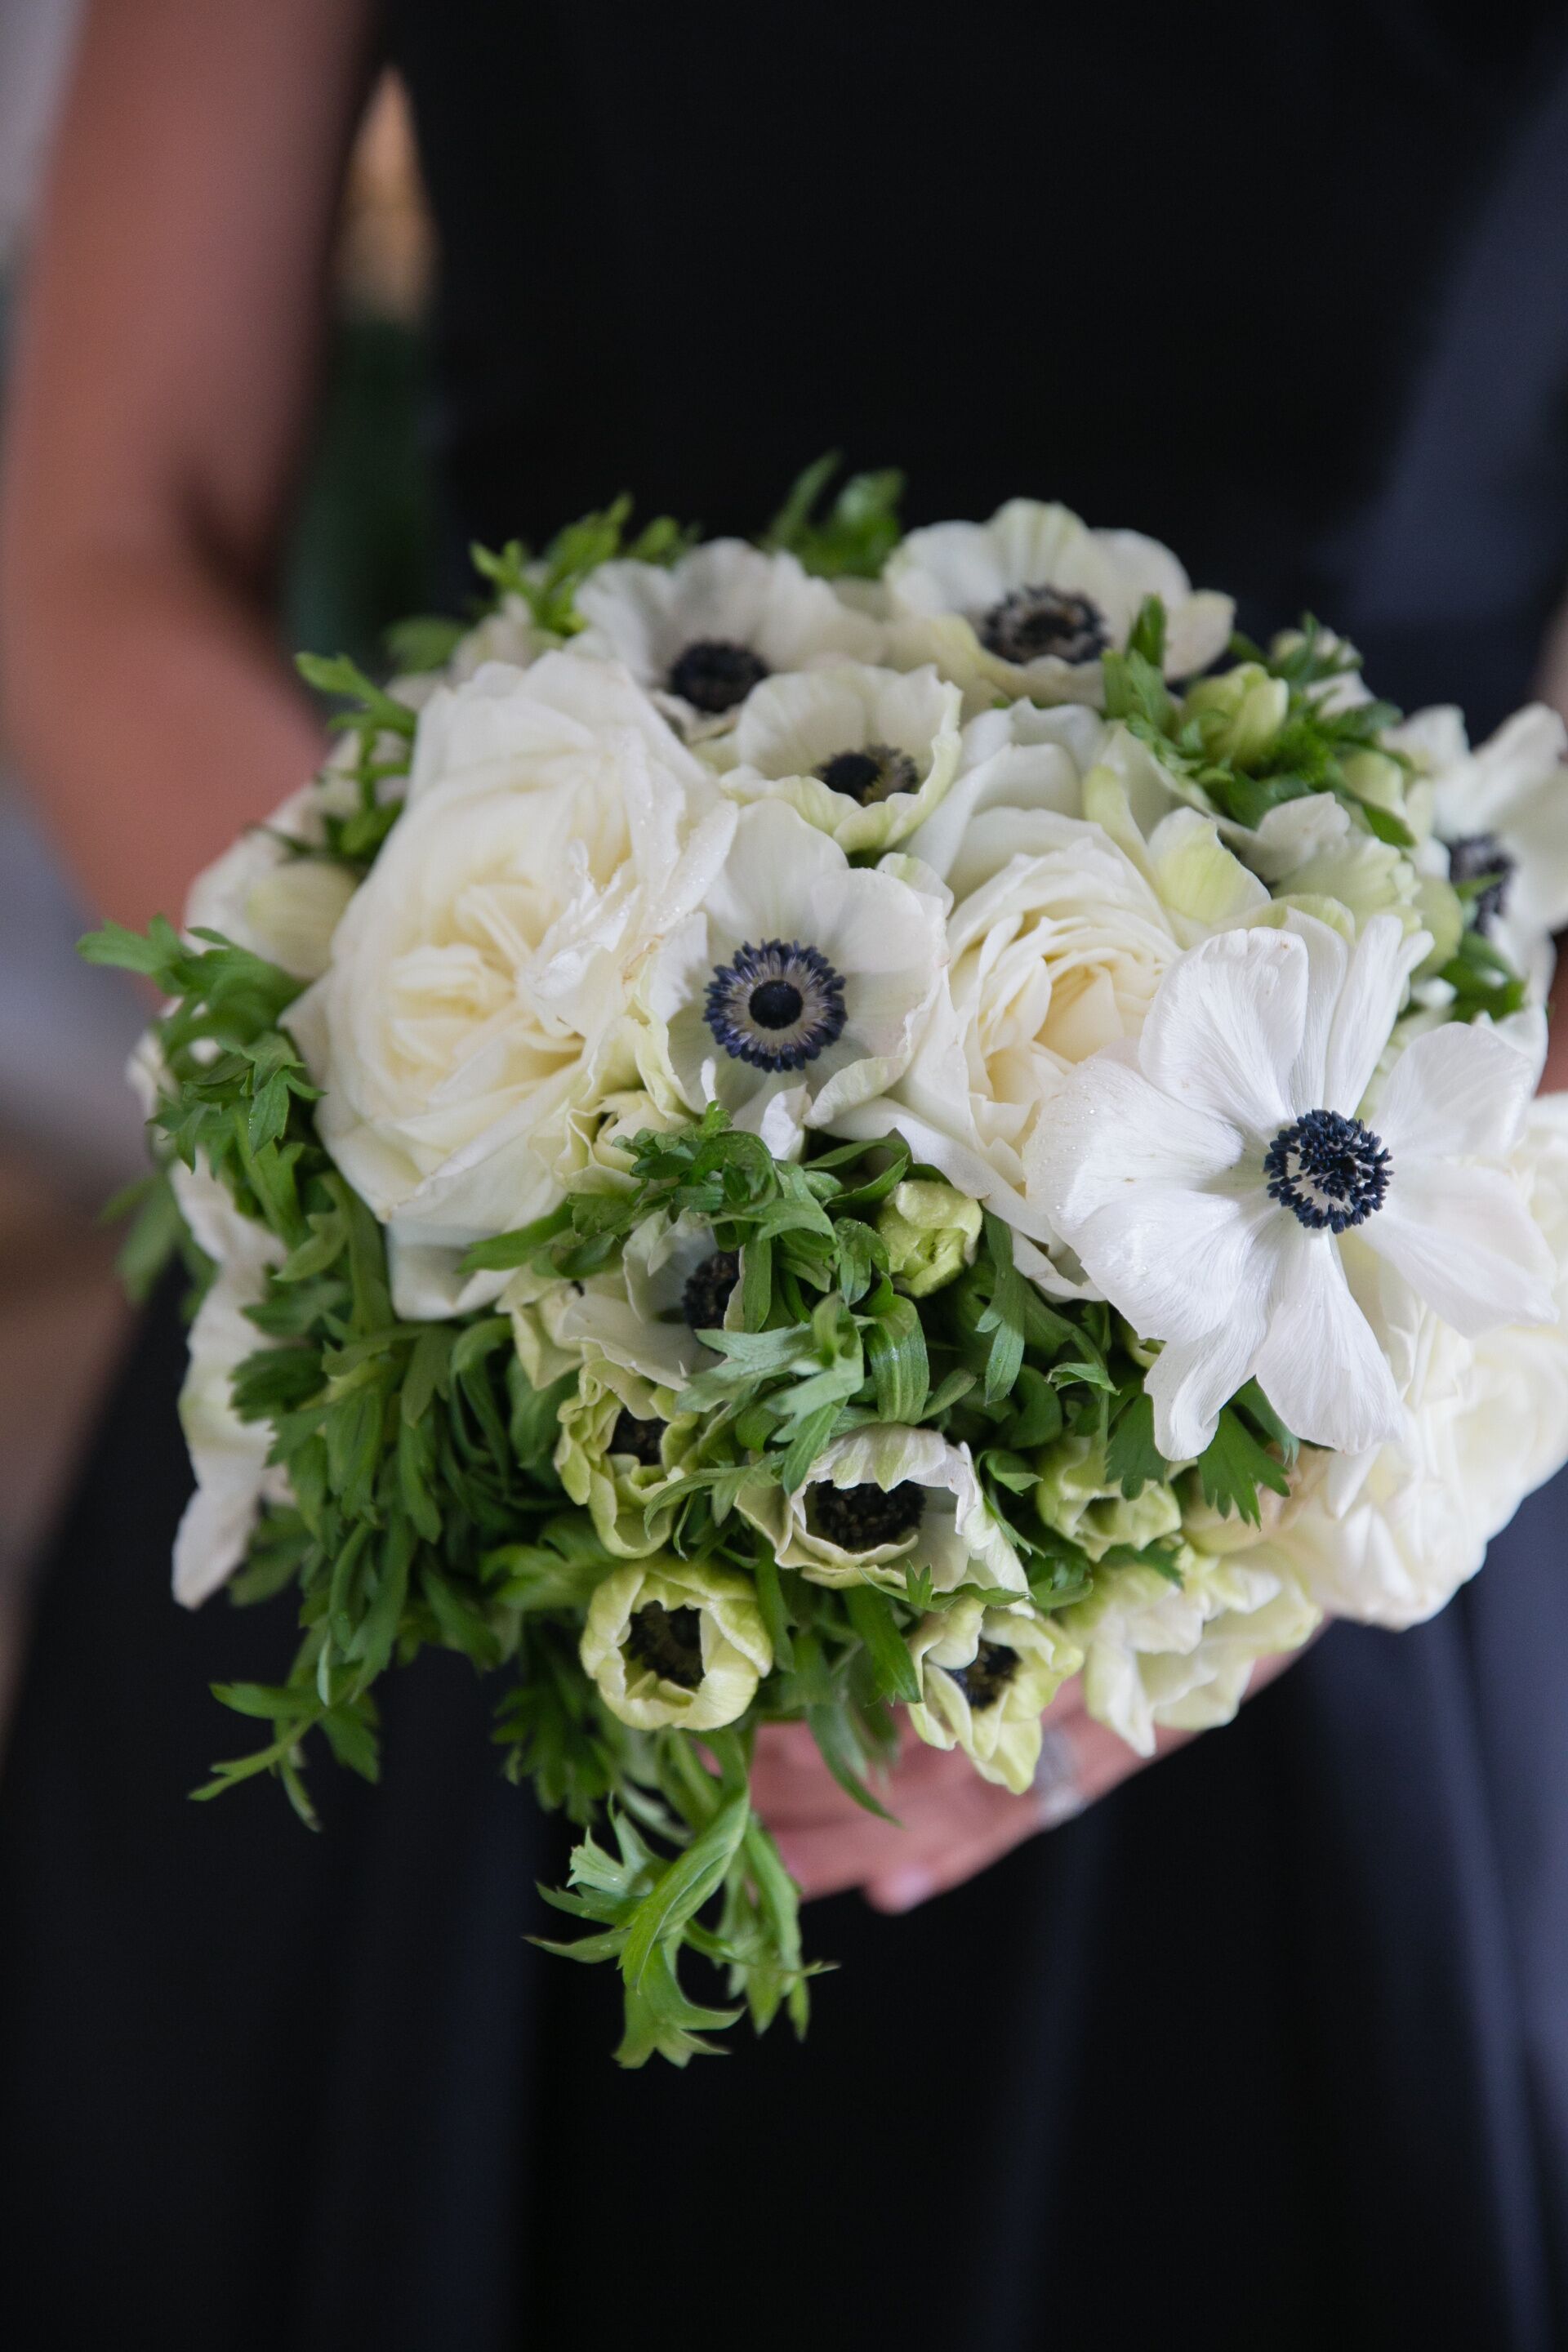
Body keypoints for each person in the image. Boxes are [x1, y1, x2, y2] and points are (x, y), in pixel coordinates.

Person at [2, 3, 1568, 2345]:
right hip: (462, 1364)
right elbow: (111, 537)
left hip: (1321, 1436)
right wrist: (501, 1169)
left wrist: (1181, 1577)